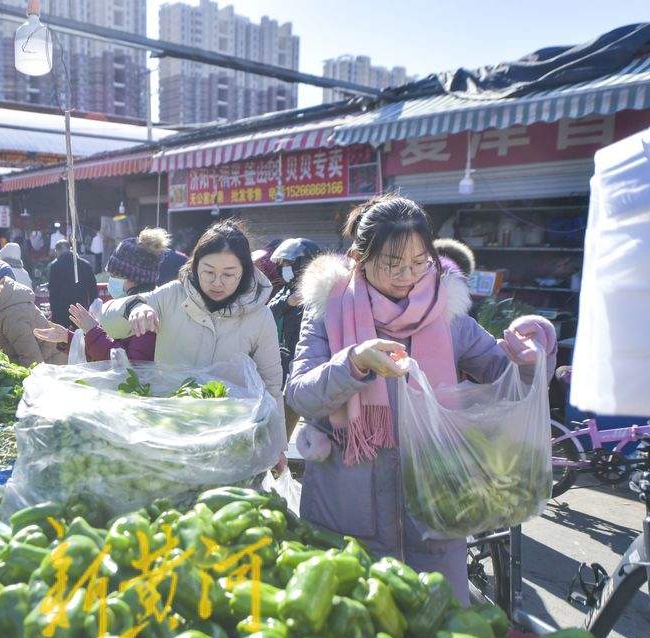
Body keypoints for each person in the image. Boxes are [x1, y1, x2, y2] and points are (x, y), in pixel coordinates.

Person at [284, 193, 556, 602]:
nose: (407, 275)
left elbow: (505, 382)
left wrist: (531, 363)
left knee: (440, 627)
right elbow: (301, 394)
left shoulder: (446, 312)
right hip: (347, 509)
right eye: (392, 263)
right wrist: (354, 362)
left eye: (418, 262)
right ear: (360, 256)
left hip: (437, 508)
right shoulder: (328, 309)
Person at [101, 220, 287, 450]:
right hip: (169, 432)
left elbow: (271, 387)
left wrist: (278, 445)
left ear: (245, 272)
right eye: (208, 272)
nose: (217, 282)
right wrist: (134, 307)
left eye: (229, 275)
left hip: (230, 439)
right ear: (195, 265)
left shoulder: (259, 316)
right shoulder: (172, 296)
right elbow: (109, 322)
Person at [35, 228, 166, 362]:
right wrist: (68, 338)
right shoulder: (123, 306)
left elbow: (129, 365)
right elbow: (102, 349)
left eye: (115, 275)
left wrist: (92, 330)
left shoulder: (145, 314)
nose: (111, 280)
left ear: (136, 278)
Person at [268, 238, 322, 381]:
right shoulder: (287, 289)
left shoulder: (320, 291)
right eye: (282, 264)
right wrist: (288, 302)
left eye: (288, 264)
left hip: (309, 359)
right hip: (286, 356)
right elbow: (269, 312)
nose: (284, 267)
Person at [47, 239, 99, 330]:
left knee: (63, 340)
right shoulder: (85, 265)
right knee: (82, 338)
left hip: (61, 311)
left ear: (57, 251)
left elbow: (53, 291)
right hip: (81, 308)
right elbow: (93, 290)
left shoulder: (55, 266)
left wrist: (53, 311)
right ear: (70, 248)